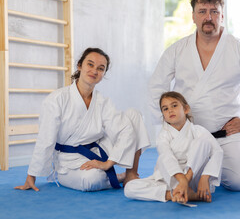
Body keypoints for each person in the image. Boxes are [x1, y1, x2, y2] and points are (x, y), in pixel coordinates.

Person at [149, 0, 240, 191]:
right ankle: (201, 171)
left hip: (226, 134)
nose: (208, 17)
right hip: (189, 133)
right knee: (173, 180)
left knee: (239, 182)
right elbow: (156, 86)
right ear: (193, 16)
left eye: (214, 12)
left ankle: (205, 170)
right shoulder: (177, 50)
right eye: (202, 11)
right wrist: (167, 123)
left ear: (222, 15)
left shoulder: (239, 48)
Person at [15, 48, 150, 192]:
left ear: (103, 74)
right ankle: (118, 177)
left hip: (98, 150)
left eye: (100, 68)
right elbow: (45, 139)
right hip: (69, 161)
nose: (94, 71)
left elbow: (124, 130)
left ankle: (131, 174)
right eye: (90, 65)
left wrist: (108, 163)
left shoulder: (102, 101)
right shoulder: (57, 99)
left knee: (134, 115)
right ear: (80, 66)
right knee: (90, 180)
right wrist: (31, 176)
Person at [125, 91, 223, 203]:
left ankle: (183, 189)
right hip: (172, 179)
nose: (170, 110)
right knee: (130, 188)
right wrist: (181, 180)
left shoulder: (198, 131)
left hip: (195, 178)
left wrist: (205, 177)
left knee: (203, 142)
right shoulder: (163, 136)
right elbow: (167, 158)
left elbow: (217, 152)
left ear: (186, 109)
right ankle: (176, 194)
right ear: (164, 116)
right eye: (165, 109)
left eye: (174, 105)